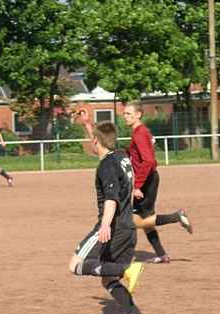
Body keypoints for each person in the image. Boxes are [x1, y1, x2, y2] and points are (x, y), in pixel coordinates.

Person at [81, 104, 192, 263]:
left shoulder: (140, 133)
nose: (125, 116)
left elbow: (148, 161)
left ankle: (176, 217)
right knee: (144, 219)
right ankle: (162, 254)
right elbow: (105, 147)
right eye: (124, 113)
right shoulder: (140, 132)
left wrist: (137, 185)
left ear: (138, 114)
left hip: (146, 180)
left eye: (128, 113)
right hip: (147, 178)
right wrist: (88, 125)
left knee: (134, 220)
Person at [68, 120, 146, 314]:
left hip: (114, 226)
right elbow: (124, 187)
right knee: (108, 278)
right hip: (128, 227)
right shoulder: (121, 156)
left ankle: (128, 269)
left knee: (75, 264)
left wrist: (104, 226)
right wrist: (88, 125)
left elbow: (111, 198)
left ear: (95, 141)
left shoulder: (106, 165)